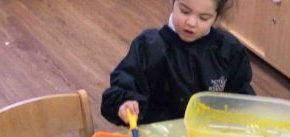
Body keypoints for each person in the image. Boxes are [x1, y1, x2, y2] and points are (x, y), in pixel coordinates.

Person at [100, 0, 255, 126]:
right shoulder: (149, 47)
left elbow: (243, 99)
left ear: (216, 16)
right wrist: (124, 104)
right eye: (185, 11)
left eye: (204, 18)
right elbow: (116, 94)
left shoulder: (228, 49)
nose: (191, 22)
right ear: (172, 2)